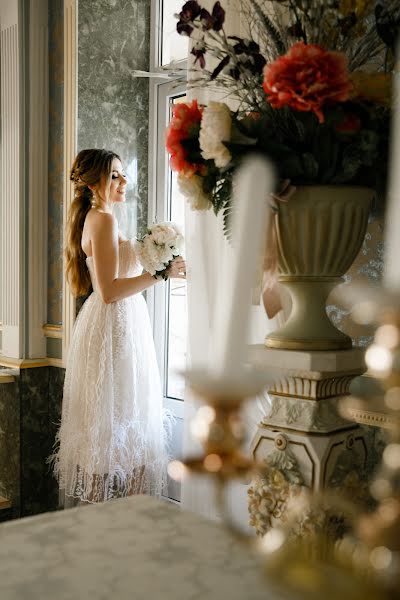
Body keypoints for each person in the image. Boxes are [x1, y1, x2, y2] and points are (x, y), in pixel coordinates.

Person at [50, 148, 186, 505]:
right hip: (113, 327)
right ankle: (114, 528)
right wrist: (159, 274)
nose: (124, 181)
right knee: (112, 430)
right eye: (115, 175)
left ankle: (123, 523)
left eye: (123, 174)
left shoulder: (101, 217)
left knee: (121, 428)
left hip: (120, 326)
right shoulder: (102, 219)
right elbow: (109, 291)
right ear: (94, 182)